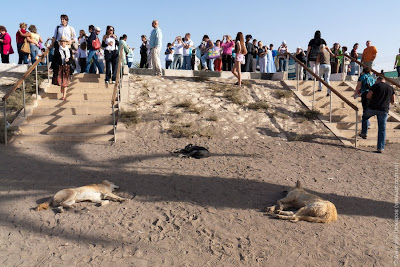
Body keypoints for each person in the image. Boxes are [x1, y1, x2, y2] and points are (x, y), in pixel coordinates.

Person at [360, 77, 395, 153]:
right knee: (382, 129)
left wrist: (373, 98)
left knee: (365, 117)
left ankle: (364, 133)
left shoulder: (376, 85)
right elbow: (393, 101)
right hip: (384, 109)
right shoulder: (390, 88)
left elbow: (368, 96)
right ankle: (380, 148)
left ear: (378, 80)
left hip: (373, 107)